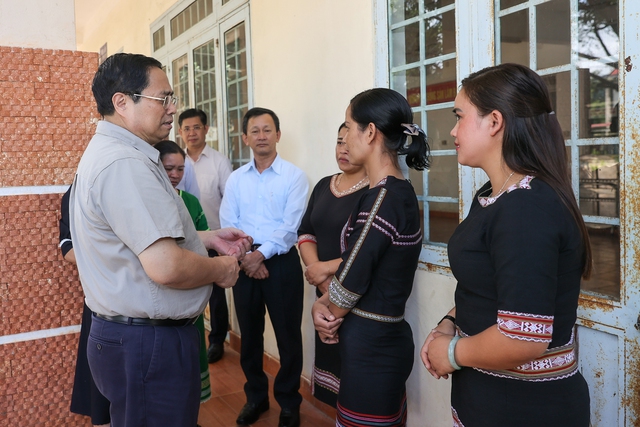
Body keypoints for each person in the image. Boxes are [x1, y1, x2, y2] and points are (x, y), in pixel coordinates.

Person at [70, 52, 251, 427]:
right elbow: (166, 265)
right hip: (146, 344)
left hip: (134, 339)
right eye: (163, 98)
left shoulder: (118, 154)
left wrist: (208, 237)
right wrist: (222, 267)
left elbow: (136, 241)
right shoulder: (124, 163)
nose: (173, 109)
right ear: (122, 102)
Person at [420, 63, 591, 427]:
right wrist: (449, 322)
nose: (452, 130)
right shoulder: (494, 195)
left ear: (494, 121)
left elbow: (522, 338)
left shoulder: (527, 207)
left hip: (525, 409)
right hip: (488, 398)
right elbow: (486, 284)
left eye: (459, 116)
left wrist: (449, 352)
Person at [312, 88, 430, 427]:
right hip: (375, 342)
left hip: (374, 348)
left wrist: (323, 309)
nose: (344, 136)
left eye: (349, 126)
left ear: (371, 132)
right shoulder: (390, 193)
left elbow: (353, 275)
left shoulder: (385, 197)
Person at [219, 107, 309, 427]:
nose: (261, 136)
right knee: (250, 337)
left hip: (281, 263)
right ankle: (255, 398)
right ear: (245, 138)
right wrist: (247, 258)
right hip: (243, 263)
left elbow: (290, 227)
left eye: (267, 130)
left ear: (278, 135)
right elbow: (228, 222)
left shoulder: (295, 177)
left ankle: (288, 402)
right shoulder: (235, 179)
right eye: (254, 131)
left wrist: (261, 255)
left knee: (287, 337)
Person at [297, 123, 369, 407]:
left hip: (358, 295)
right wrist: (318, 275)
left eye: (350, 143)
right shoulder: (324, 186)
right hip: (324, 295)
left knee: (358, 384)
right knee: (331, 367)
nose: (343, 149)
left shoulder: (375, 192)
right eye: (339, 142)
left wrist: (327, 272)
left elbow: (367, 249)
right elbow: (305, 233)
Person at [155, 139, 212, 404]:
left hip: (190, 290)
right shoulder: (150, 201)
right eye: (169, 168)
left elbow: (204, 246)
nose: (175, 175)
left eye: (180, 169)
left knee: (191, 351)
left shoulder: (191, 202)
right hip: (160, 295)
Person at [177, 108, 233, 364]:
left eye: (196, 127)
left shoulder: (219, 162)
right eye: (186, 128)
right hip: (181, 239)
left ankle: (217, 340)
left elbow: (229, 201)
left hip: (212, 237)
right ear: (180, 132)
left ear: (206, 129)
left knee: (216, 294)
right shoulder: (176, 162)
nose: (191, 133)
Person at [59, 187, 111, 427]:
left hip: (140, 306)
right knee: (100, 393)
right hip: (101, 299)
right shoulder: (76, 192)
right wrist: (109, 262)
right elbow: (67, 248)